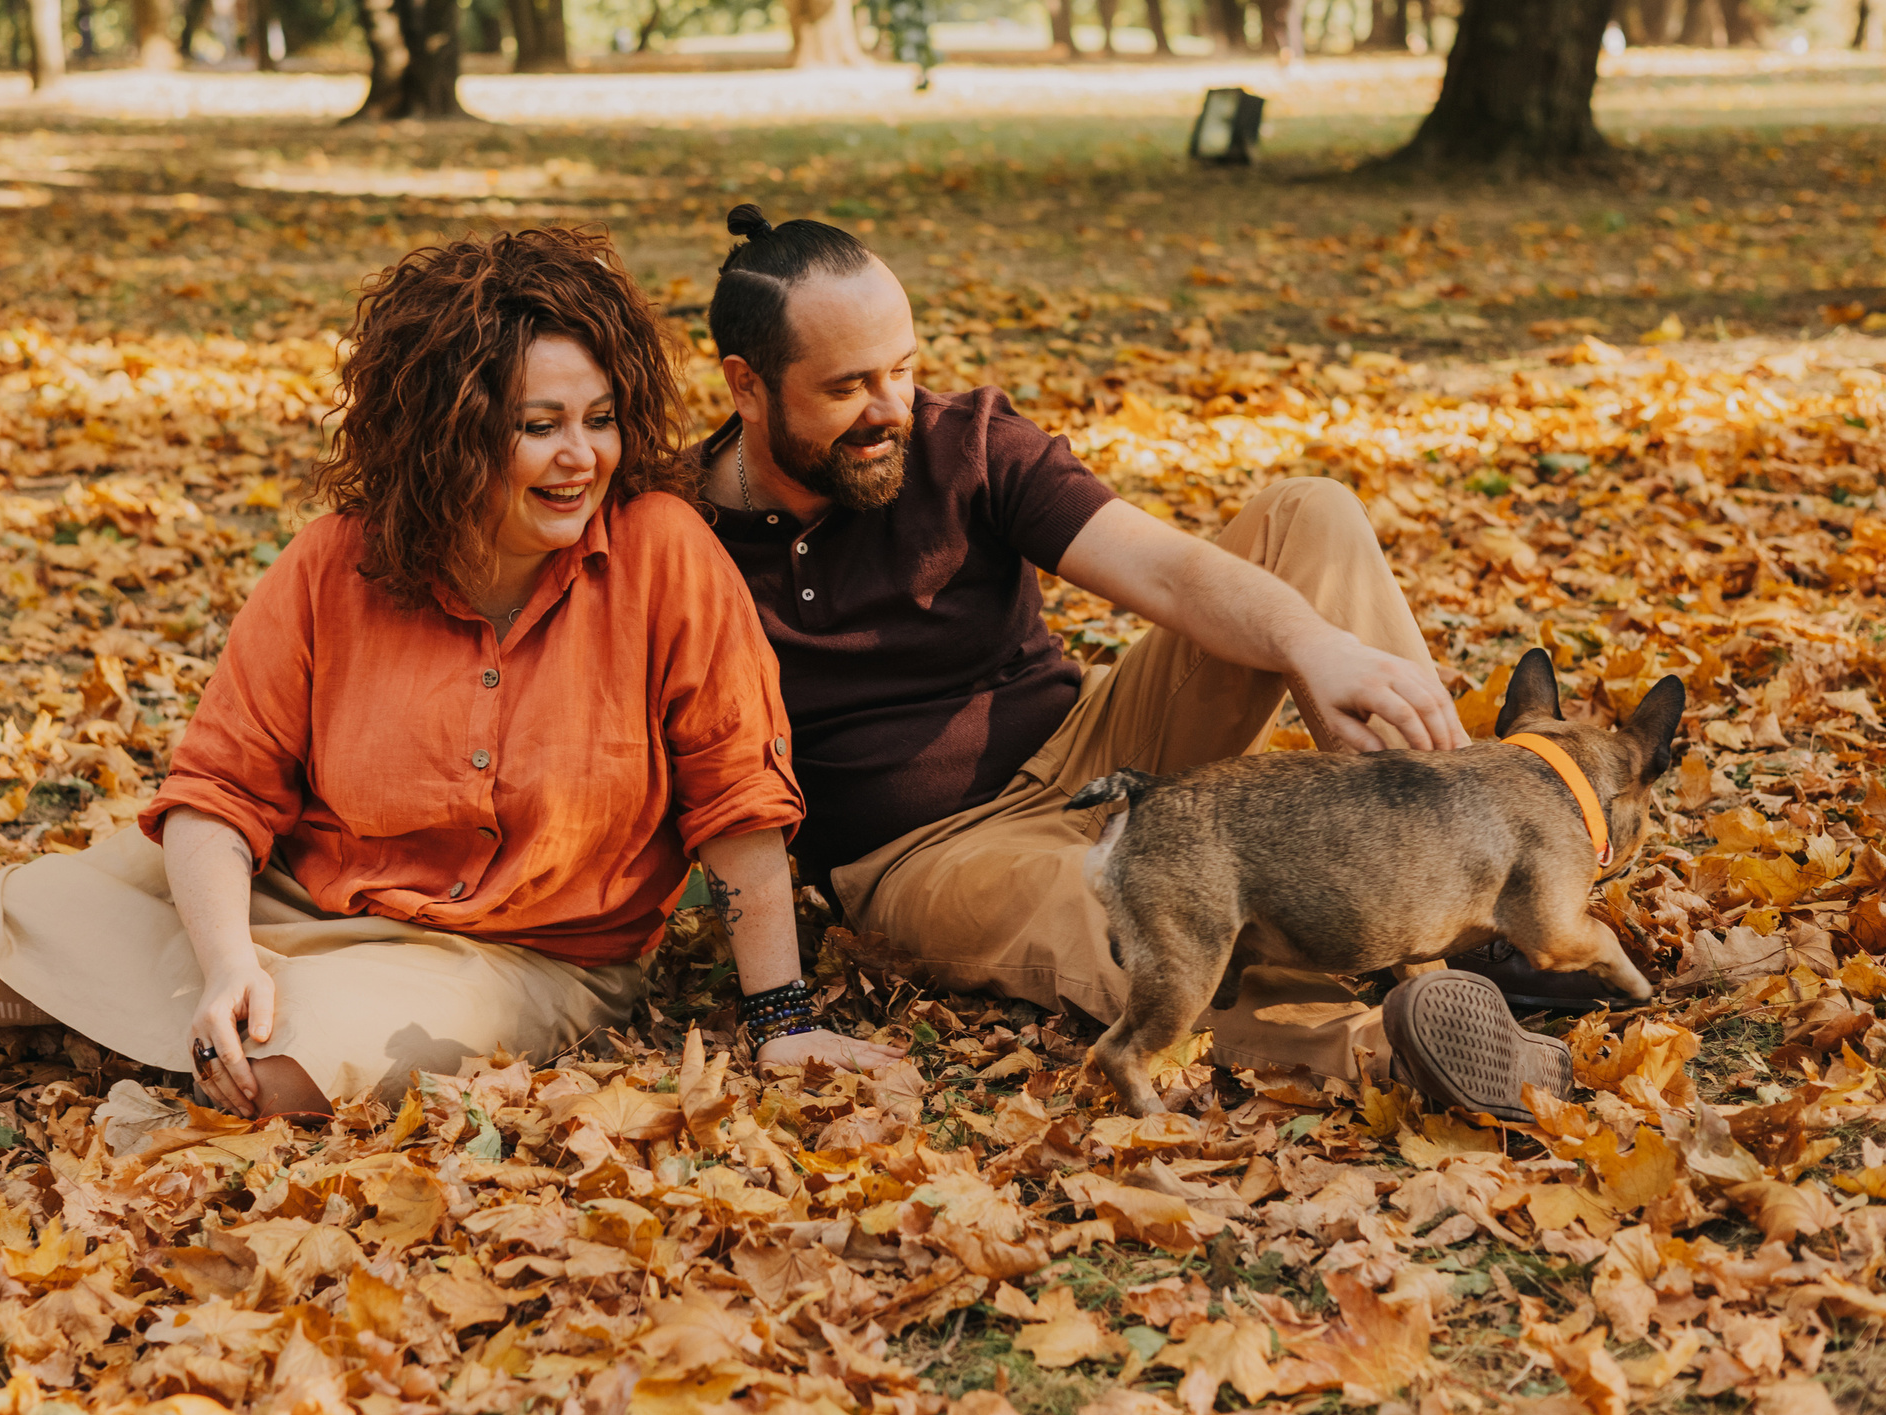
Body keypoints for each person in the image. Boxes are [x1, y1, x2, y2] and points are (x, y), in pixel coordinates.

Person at [0, 229, 898, 1112]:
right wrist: (226, 949)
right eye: (538, 425)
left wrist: (781, 1021)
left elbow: (739, 803)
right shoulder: (342, 557)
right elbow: (221, 787)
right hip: (286, 883)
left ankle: (145, 1030)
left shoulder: (660, 553)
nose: (580, 456)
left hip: (525, 952)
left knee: (288, 1065)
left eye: (598, 419)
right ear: (453, 431)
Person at [691, 205, 1614, 1120]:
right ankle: (1395, 1042)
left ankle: (1473, 894)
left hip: (1091, 738)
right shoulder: (685, 541)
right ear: (747, 384)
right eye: (850, 386)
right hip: (929, 849)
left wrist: (1311, 641)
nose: (894, 407)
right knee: (1131, 923)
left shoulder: (963, 441)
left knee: (1309, 514)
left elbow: (1168, 570)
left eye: (904, 368)